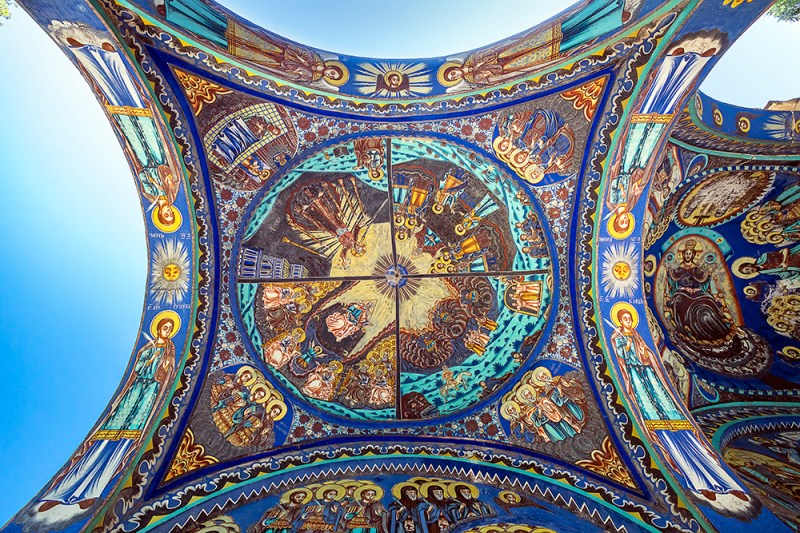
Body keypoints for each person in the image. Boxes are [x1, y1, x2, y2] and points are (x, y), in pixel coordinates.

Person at [36, 314, 178, 514]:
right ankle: (61, 493)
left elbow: (166, 375)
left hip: (148, 399)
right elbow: (137, 370)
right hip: (132, 396)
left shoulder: (170, 352)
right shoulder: (147, 349)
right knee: (103, 443)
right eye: (165, 327)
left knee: (124, 445)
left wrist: (164, 365)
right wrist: (151, 359)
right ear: (158, 328)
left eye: (170, 328)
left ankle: (92, 493)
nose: (167, 331)